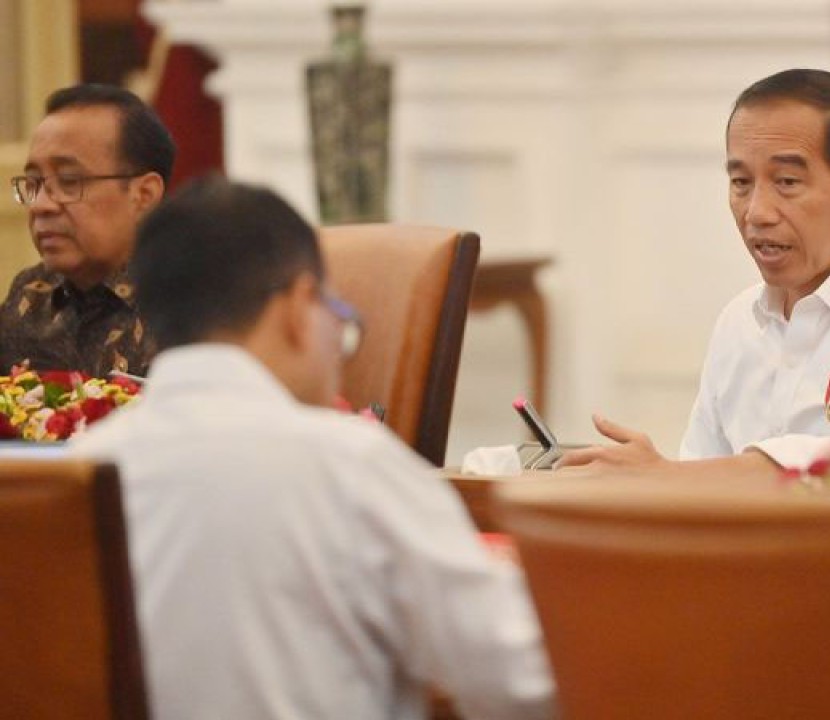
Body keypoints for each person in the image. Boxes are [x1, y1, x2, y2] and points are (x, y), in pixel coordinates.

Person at [71, 178, 555, 720]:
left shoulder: (77, 470)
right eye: (337, 313)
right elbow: (527, 677)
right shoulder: (346, 464)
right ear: (300, 306)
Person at [563, 68, 830, 476]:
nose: (756, 213)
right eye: (741, 183)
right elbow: (702, 479)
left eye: (786, 182)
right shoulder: (739, 320)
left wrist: (668, 477)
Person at [1, 83, 173, 377]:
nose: (41, 205)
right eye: (33, 183)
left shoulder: (191, 306)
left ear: (143, 195)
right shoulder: (30, 297)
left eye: (69, 180)